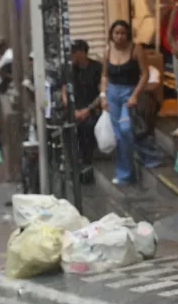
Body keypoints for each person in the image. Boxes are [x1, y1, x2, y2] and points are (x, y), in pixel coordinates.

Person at [100, 20, 161, 185]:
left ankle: (147, 156)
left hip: (129, 91)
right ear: (111, 35)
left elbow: (145, 74)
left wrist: (135, 95)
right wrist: (103, 96)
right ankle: (125, 173)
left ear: (127, 35)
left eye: (122, 33)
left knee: (127, 129)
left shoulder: (136, 49)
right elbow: (105, 76)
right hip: (113, 93)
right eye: (116, 33)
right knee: (119, 135)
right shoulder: (107, 50)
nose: (119, 37)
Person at [62, 40, 103, 179]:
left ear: (81, 53)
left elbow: (101, 93)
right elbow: (64, 89)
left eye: (73, 52)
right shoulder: (70, 70)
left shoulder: (97, 68)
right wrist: (71, 108)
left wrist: (88, 109)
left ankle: (87, 161)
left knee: (87, 125)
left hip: (91, 108)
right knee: (67, 127)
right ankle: (73, 162)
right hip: (75, 109)